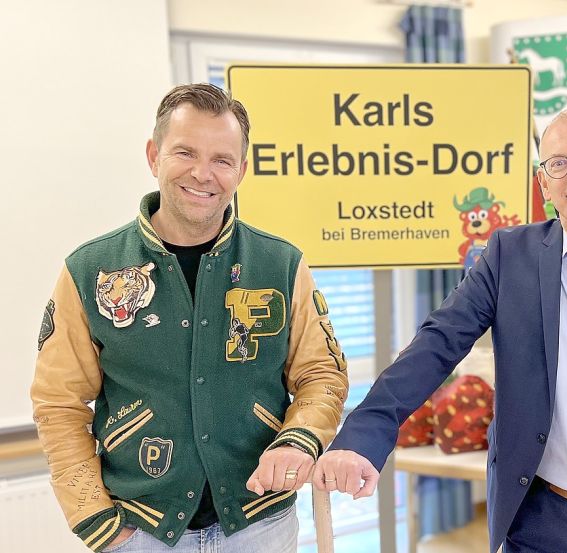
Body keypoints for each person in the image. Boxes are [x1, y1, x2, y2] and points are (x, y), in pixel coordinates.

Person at [315, 106, 567, 552]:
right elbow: (436, 345)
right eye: (558, 163)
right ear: (544, 183)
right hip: (535, 522)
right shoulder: (508, 256)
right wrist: (364, 433)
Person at [31, 83, 349, 553]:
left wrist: (299, 440)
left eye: (222, 160)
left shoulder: (280, 263)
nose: (203, 174)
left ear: (241, 170)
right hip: (140, 531)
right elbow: (59, 405)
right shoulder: (89, 270)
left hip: (260, 526)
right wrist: (95, 519)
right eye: (185, 152)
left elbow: (321, 374)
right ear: (153, 155)